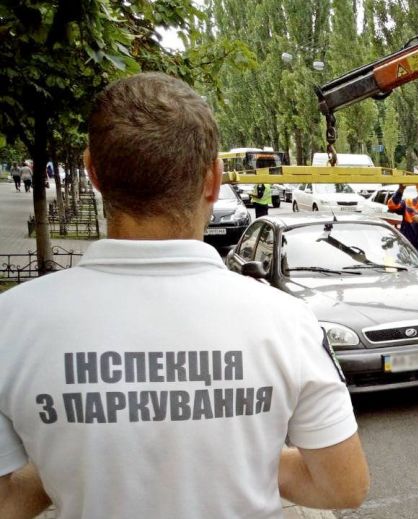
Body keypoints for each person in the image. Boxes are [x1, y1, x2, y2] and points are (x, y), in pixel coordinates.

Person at [0, 72, 369, 518]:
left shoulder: (11, 323)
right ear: (213, 178)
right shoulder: (287, 321)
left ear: (92, 171)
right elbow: (343, 486)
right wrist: (234, 463)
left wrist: (69, 461)